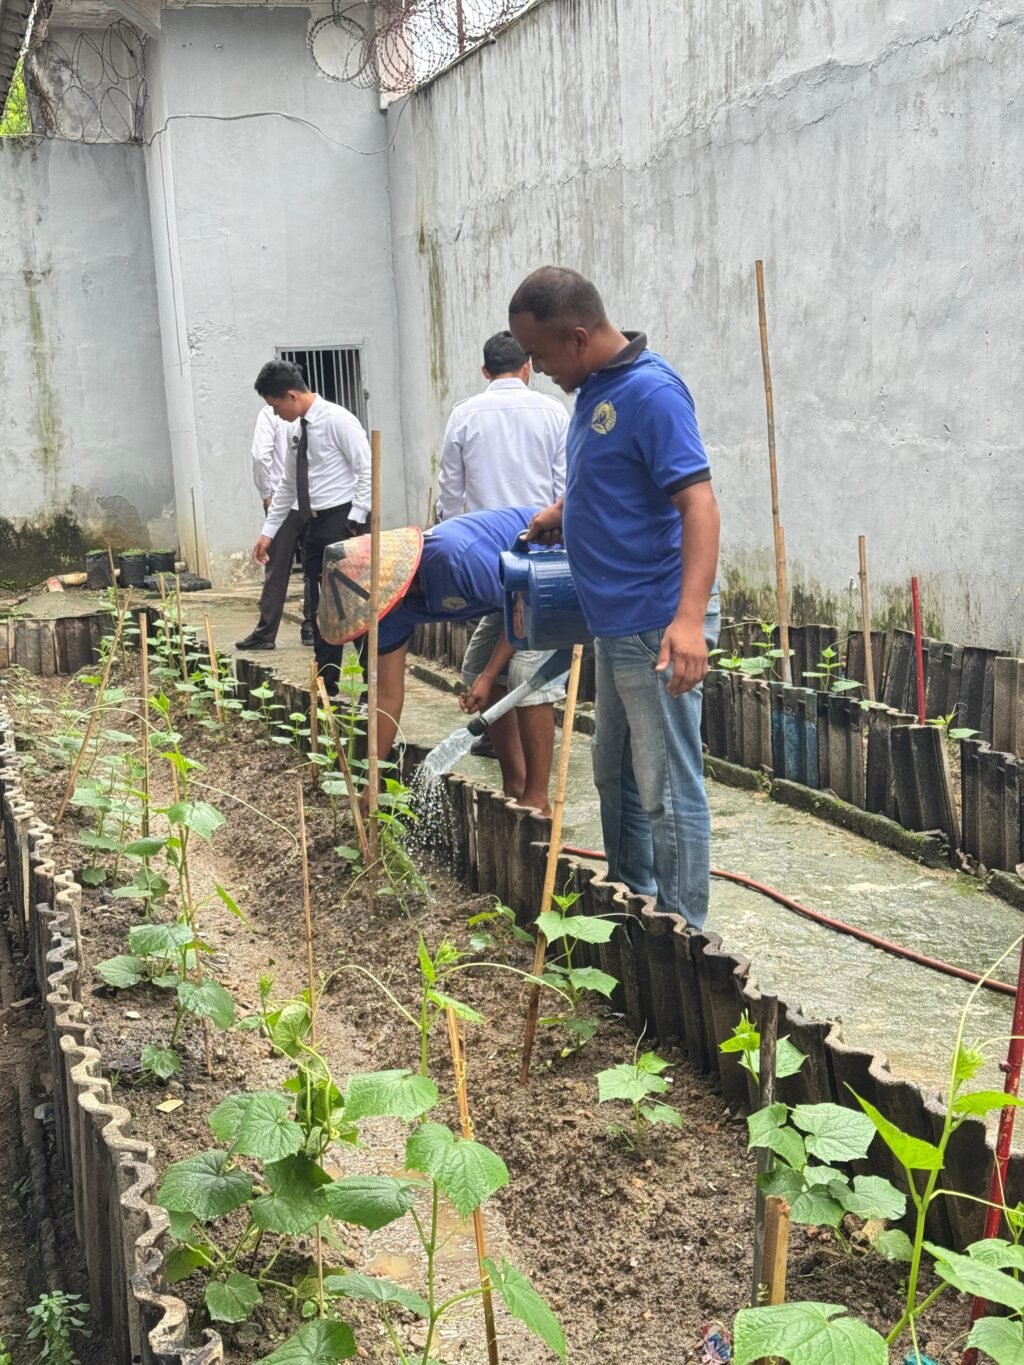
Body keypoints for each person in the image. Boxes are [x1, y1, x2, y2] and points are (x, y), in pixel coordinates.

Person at [508, 266, 721, 931]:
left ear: (577, 336)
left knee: (664, 785)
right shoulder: (597, 388)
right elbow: (620, 476)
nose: (539, 370)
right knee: (615, 776)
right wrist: (562, 511)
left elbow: (699, 504)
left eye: (541, 355)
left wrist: (687, 621)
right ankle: (635, 900)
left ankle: (685, 934)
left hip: (655, 622)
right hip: (616, 623)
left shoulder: (650, 393)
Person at [318, 505, 564, 814]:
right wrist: (373, 778)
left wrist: (491, 676)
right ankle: (515, 785)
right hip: (506, 598)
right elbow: (388, 696)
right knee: (475, 670)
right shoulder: (388, 614)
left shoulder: (456, 561)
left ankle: (537, 797)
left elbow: (520, 614)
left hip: (547, 572)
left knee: (526, 672)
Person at [437, 329, 569, 765]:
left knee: (523, 665)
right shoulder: (554, 412)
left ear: (484, 370)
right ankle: (508, 754)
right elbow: (566, 488)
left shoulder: (464, 415)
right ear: (528, 367)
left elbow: (450, 495)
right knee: (509, 659)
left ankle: (530, 783)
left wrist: (452, 548)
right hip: (543, 552)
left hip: (485, 553)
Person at [249, 360, 371, 693]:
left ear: (291, 395)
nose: (275, 415)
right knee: (321, 607)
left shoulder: (338, 421)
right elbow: (288, 484)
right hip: (312, 523)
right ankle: (326, 683)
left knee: (354, 604)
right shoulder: (294, 429)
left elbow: (366, 469)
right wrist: (268, 533)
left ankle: (370, 683)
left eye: (276, 406)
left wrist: (356, 519)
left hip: (343, 520)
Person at [235, 402, 314, 651]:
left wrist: (266, 493)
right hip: (315, 500)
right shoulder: (316, 412)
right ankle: (312, 627)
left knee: (277, 568)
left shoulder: (269, 413)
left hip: (282, 501)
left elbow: (260, 455)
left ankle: (266, 632)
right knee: (315, 566)